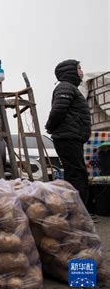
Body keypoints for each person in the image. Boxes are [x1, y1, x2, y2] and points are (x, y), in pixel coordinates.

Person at [45, 59, 91, 205]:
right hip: (68, 138)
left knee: (75, 172)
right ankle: (80, 210)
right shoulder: (65, 87)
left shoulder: (69, 88)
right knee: (76, 174)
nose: (81, 72)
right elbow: (58, 110)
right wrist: (50, 126)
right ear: (70, 71)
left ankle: (79, 208)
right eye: (79, 68)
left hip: (71, 137)